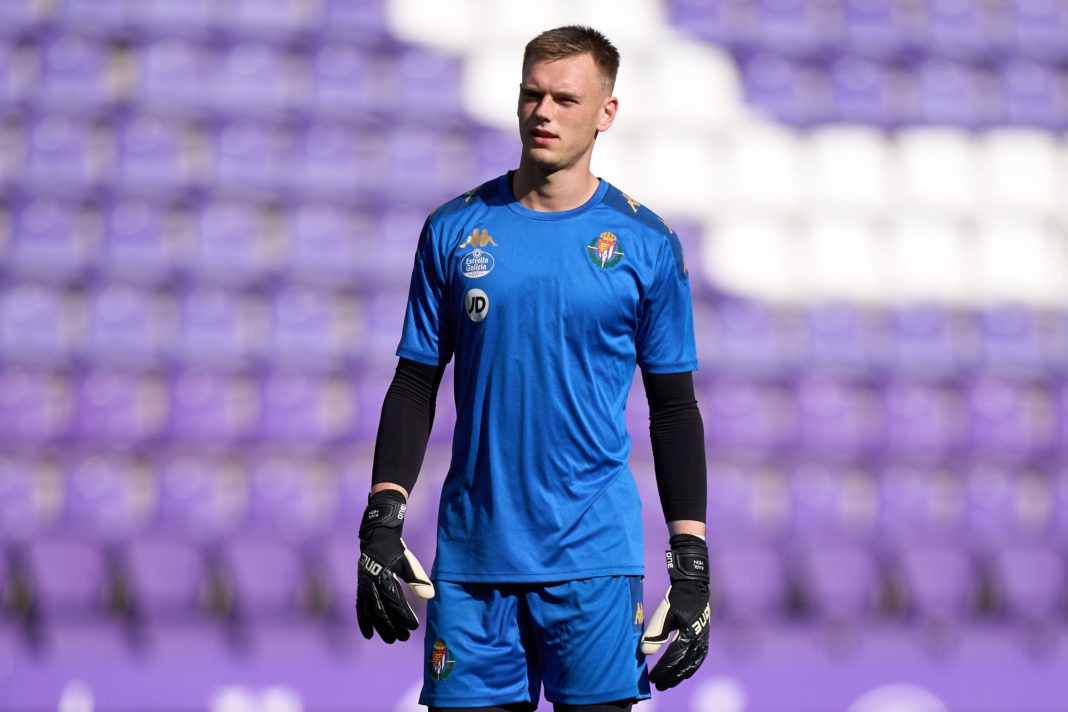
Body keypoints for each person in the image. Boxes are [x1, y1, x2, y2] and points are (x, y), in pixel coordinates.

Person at [356, 25, 709, 712]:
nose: (544, 112)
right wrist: (382, 516)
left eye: (565, 100)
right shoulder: (454, 230)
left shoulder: (645, 244)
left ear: (607, 112)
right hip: (473, 561)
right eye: (532, 95)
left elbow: (672, 408)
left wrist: (690, 562)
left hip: (593, 562)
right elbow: (415, 380)